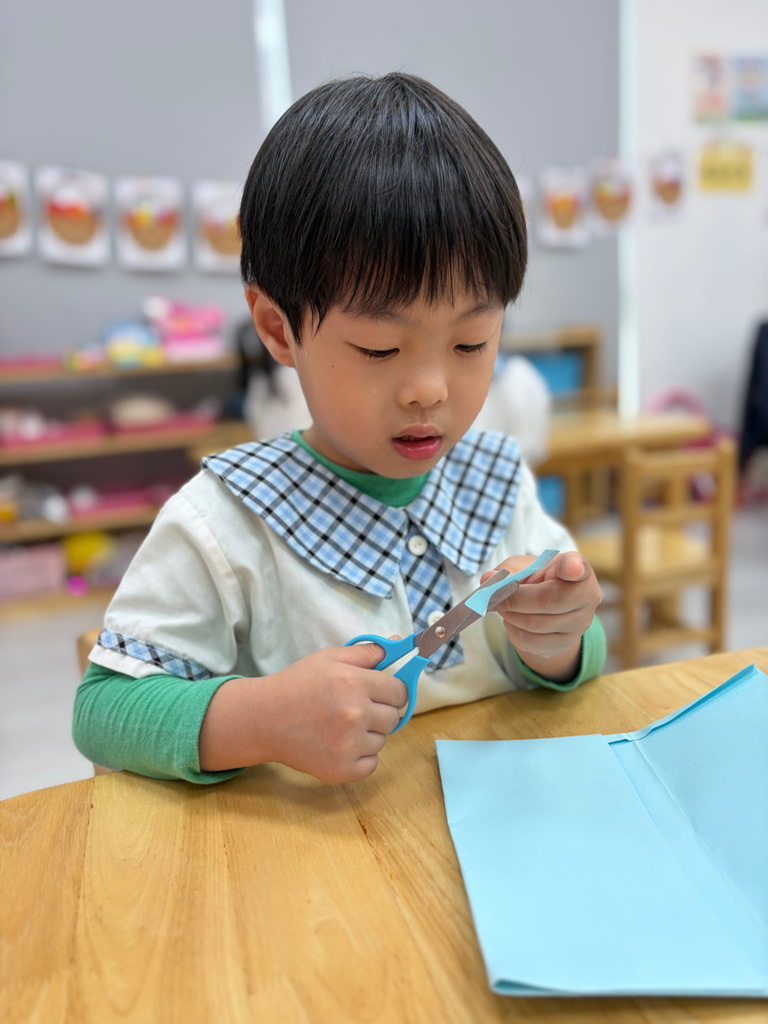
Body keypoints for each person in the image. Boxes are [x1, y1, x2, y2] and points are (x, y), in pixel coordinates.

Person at [73, 73, 605, 786]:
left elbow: (574, 660)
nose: (430, 389)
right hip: (317, 849)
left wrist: (557, 639)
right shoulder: (226, 524)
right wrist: (260, 718)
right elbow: (103, 711)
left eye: (471, 342)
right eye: (380, 349)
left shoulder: (493, 481)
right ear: (278, 329)